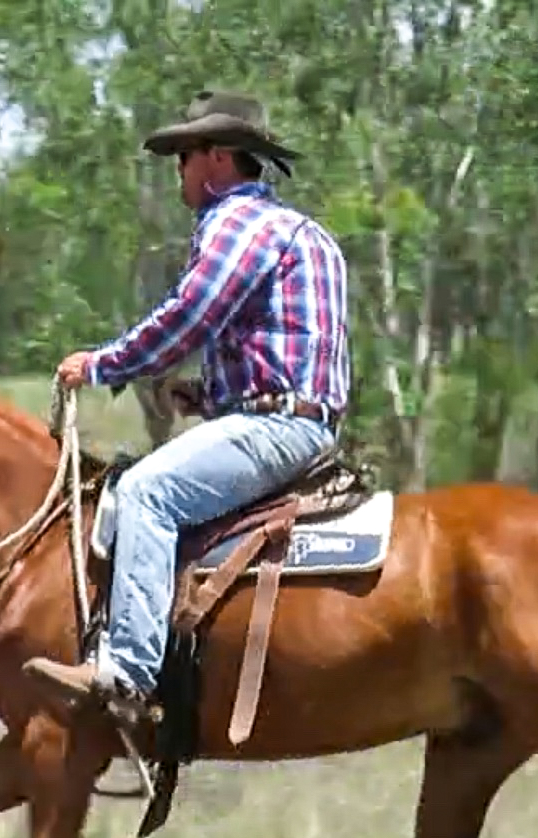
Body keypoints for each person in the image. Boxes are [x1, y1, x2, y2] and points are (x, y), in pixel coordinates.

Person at [23, 89, 351, 713]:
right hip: (301, 420)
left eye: (184, 155)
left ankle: (127, 670)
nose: (178, 169)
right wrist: (207, 394)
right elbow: (290, 350)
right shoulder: (303, 231)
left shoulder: (238, 223)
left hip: (277, 428)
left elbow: (188, 317)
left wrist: (100, 364)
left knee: (145, 492)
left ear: (218, 158)